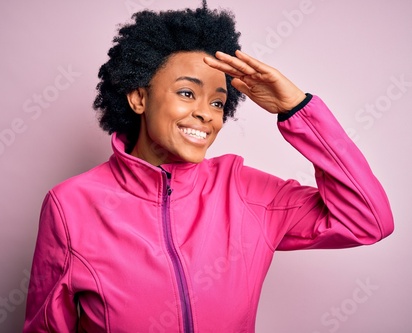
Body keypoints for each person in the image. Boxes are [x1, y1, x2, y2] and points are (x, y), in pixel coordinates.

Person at [23, 2, 394, 332]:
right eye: (187, 93)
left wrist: (296, 108)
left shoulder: (245, 192)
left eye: (218, 103)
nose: (206, 114)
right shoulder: (70, 205)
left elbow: (367, 221)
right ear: (139, 97)